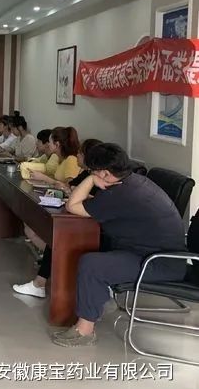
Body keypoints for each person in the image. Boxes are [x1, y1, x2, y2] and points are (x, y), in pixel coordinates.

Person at [51, 143, 187, 347]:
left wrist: (90, 180)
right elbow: (100, 205)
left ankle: (85, 331)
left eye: (92, 171)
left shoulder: (123, 193)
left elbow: (72, 206)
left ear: (105, 173)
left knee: (92, 264)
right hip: (155, 253)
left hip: (159, 262)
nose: (91, 174)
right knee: (94, 245)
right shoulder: (133, 182)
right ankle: (98, 301)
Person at [13, 138, 103, 298]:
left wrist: (73, 192)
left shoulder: (98, 179)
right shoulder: (87, 173)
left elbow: (92, 200)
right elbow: (71, 186)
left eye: (80, 153)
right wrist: (70, 190)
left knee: (59, 237)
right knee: (54, 236)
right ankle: (40, 282)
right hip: (82, 220)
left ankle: (39, 283)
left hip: (94, 229)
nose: (77, 156)